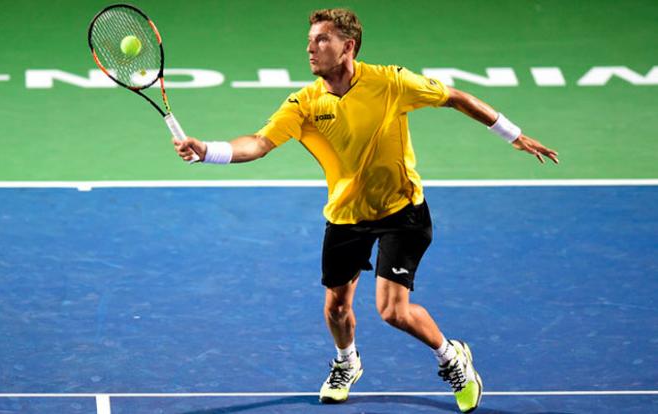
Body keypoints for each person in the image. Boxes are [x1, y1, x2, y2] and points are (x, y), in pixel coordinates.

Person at [173, 8, 558, 413]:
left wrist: (512, 135)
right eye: (309, 39)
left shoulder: (390, 82)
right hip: (347, 215)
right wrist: (208, 152)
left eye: (322, 39)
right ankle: (347, 362)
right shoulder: (304, 103)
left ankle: (452, 357)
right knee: (336, 308)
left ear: (348, 46)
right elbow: (258, 143)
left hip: (401, 212)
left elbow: (455, 98)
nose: (310, 47)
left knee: (393, 311)